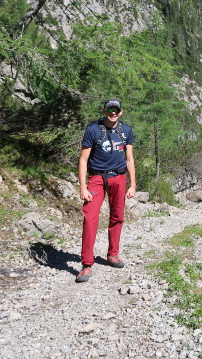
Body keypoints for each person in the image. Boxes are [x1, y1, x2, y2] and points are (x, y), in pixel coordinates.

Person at [76, 99, 136, 283]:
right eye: (110, 109)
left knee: (117, 217)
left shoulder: (126, 131)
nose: (113, 113)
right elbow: (83, 160)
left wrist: (132, 184)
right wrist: (83, 187)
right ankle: (87, 264)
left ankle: (113, 255)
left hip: (119, 178)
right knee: (90, 218)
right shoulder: (93, 130)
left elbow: (130, 159)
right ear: (104, 110)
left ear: (121, 111)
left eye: (116, 110)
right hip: (97, 179)